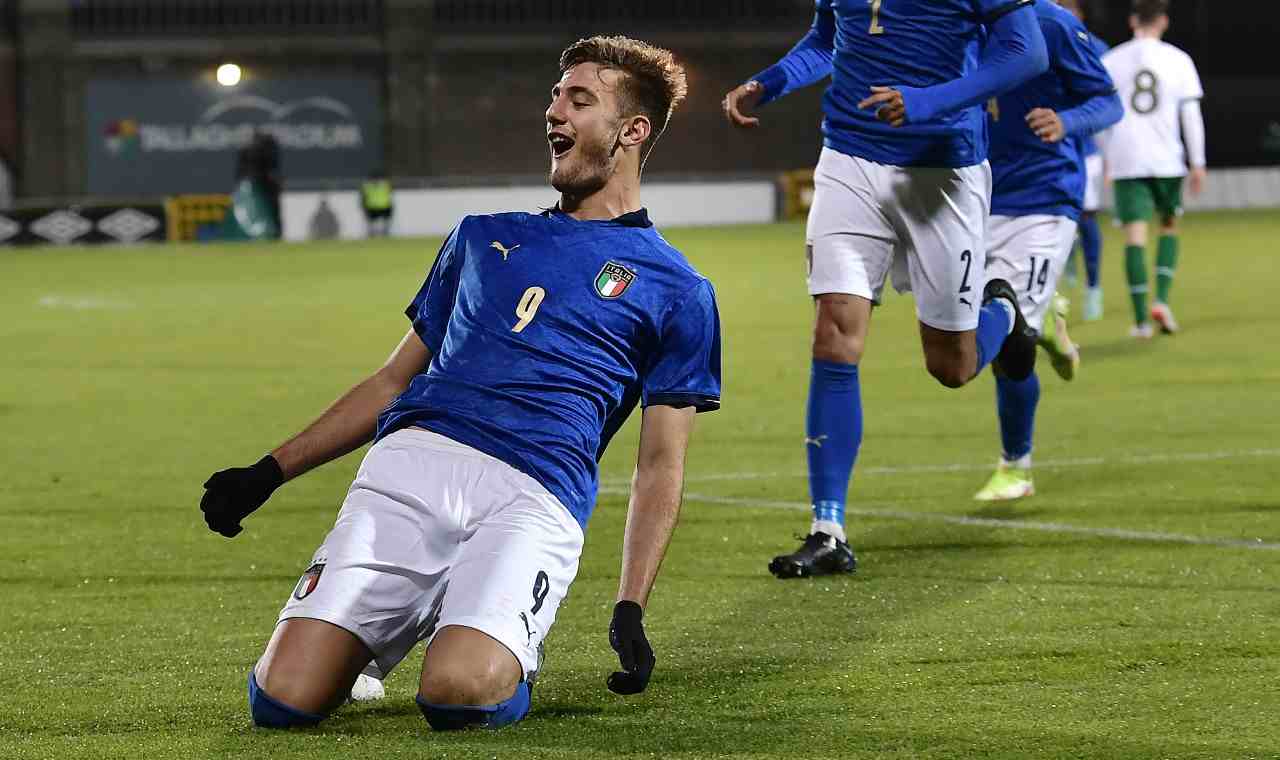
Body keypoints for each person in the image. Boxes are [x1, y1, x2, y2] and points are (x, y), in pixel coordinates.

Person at [199, 36, 721, 731]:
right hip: (411, 469)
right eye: (554, 95)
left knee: (460, 695)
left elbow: (661, 464)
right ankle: (403, 619)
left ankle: (487, 630)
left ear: (632, 130)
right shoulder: (480, 237)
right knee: (282, 701)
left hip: (533, 494)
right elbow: (391, 380)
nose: (553, 109)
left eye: (578, 98)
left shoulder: (678, 289)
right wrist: (268, 471)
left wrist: (630, 604)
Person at [723, 0, 1048, 578]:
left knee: (951, 365)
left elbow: (1027, 52)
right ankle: (828, 530)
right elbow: (829, 39)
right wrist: (768, 83)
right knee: (833, 335)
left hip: (943, 168)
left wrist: (929, 102)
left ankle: (1003, 312)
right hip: (848, 156)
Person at [974, 0, 1122, 501]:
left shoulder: (1053, 24)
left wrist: (1067, 121)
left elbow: (1108, 101)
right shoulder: (955, 19)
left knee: (1008, 335)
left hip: (1045, 199)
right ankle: (1051, 331)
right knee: (971, 328)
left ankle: (1016, 465)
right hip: (976, 197)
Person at [1099, 0, 1206, 337]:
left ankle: (1141, 322)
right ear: (1163, 21)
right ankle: (1161, 299)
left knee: (1134, 237)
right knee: (1169, 226)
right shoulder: (1179, 60)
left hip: (1127, 157)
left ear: (1132, 20)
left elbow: (1102, 116)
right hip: (1167, 159)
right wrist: (1198, 161)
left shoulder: (1110, 60)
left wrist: (1107, 157)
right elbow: (1190, 116)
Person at [1058, 0, 1111, 321]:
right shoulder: (1039, 37)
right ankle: (1062, 274)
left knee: (1087, 218)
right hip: (1048, 152)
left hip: (1087, 151)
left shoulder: (1098, 49)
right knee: (1057, 217)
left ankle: (1094, 287)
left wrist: (1110, 158)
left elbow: (1107, 103)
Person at [361, 169, 394, 237]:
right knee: (372, 224)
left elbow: (390, 192)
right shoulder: (367, 186)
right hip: (372, 207)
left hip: (384, 206)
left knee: (385, 223)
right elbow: (364, 197)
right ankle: (372, 235)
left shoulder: (385, 185)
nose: (375, 180)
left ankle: (384, 234)